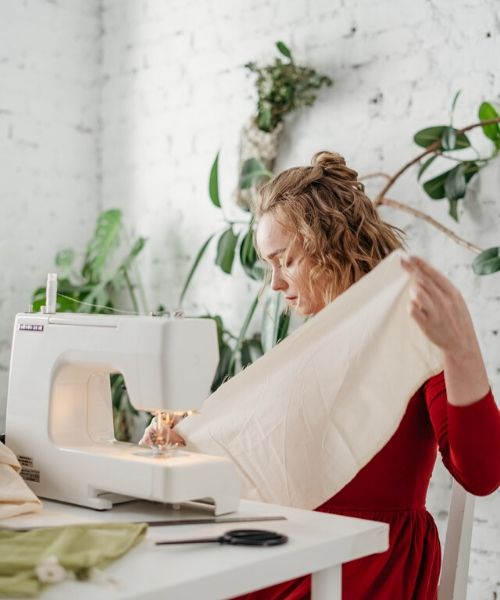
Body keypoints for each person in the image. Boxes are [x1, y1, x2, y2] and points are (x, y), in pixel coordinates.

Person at [142, 151, 500, 599]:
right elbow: (265, 454)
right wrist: (192, 446)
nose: (273, 284)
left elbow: (483, 474)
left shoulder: (411, 326)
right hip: (299, 546)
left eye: (285, 260)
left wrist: (460, 349)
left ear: (331, 244)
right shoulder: (313, 349)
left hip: (362, 563)